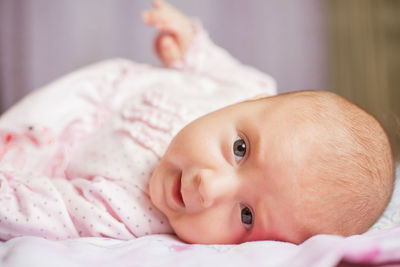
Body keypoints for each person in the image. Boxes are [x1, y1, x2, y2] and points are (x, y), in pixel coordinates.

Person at [0, 0, 394, 244]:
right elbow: (214, 64)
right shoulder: (248, 89)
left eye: (246, 216)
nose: (208, 186)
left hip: (41, 139)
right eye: (240, 150)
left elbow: (42, 209)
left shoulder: (125, 212)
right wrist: (188, 42)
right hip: (102, 84)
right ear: (257, 101)